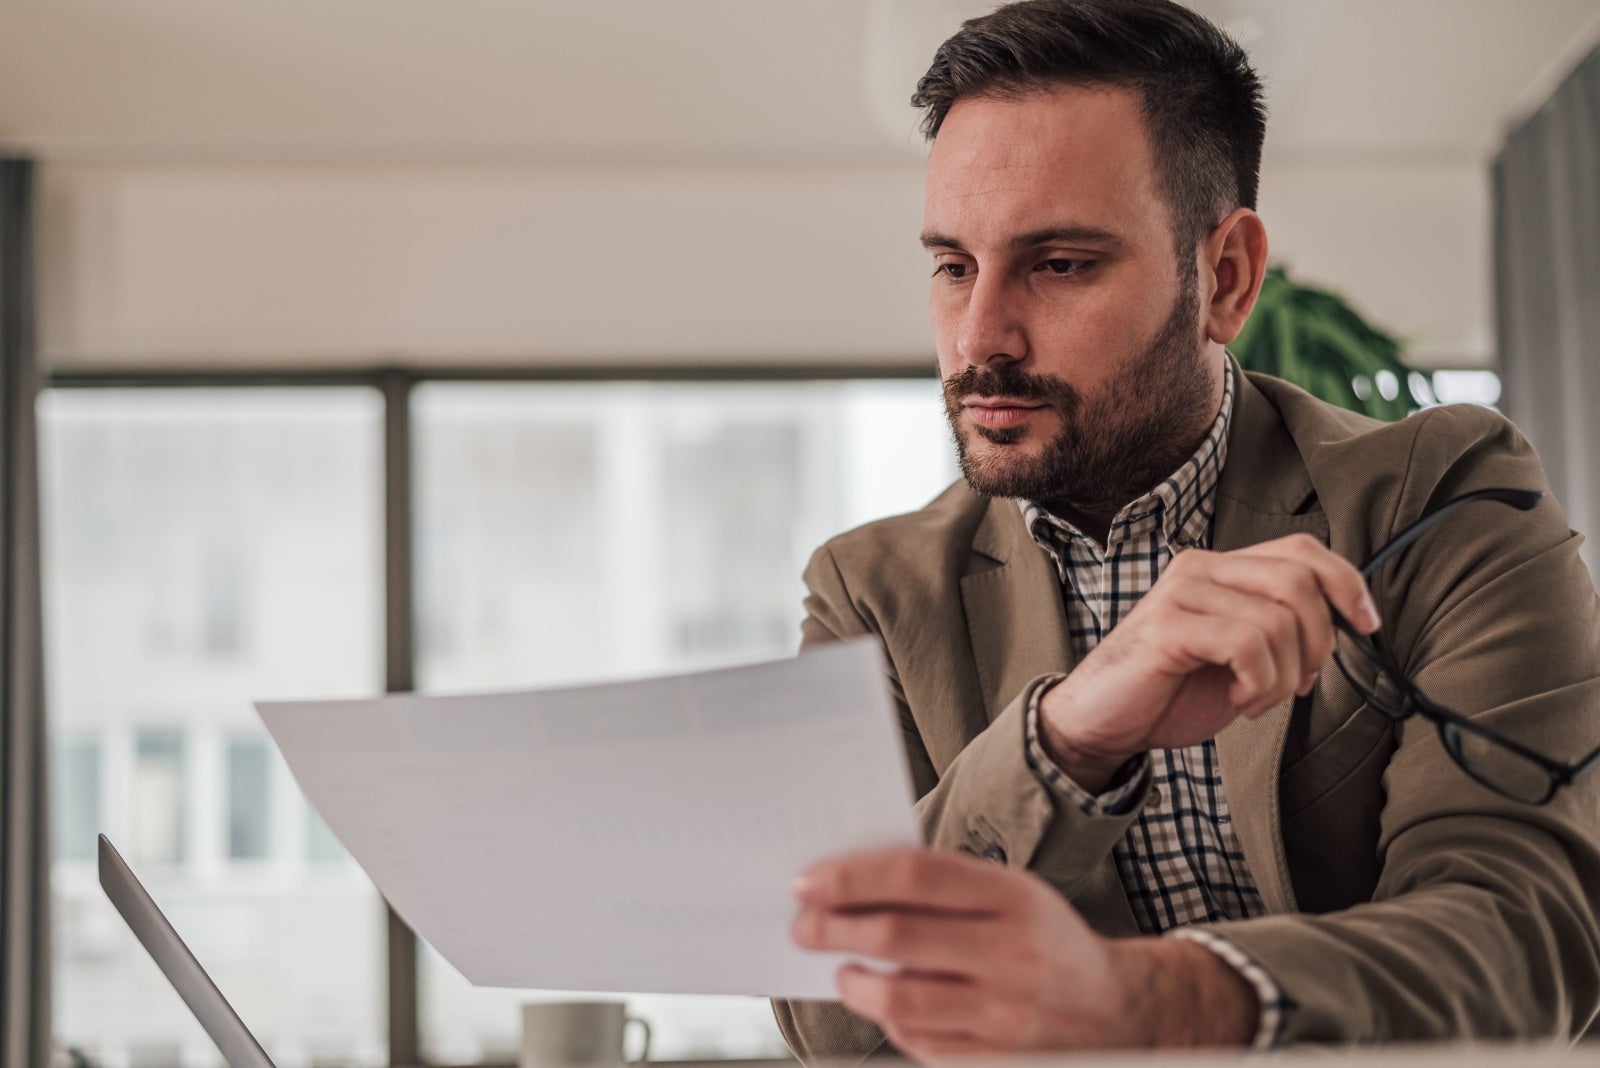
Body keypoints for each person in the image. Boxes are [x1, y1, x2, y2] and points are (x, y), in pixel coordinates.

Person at [770, 0, 1600, 1062]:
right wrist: (1064, 741)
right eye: (952, 266)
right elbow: (825, 1012)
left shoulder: (1444, 501)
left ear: (1225, 278)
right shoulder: (872, 592)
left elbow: (1530, 936)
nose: (979, 338)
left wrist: (1147, 1002)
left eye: (1059, 263)